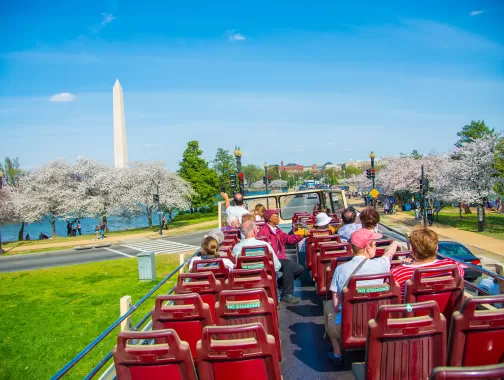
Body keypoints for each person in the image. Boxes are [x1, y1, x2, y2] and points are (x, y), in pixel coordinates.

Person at [324, 228, 400, 368]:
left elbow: (336, 305)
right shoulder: (382, 265)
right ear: (367, 247)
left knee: (328, 305)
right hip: (379, 323)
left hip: (349, 327)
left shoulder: (340, 269)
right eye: (374, 244)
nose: (376, 247)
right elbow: (389, 253)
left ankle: (337, 353)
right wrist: (395, 242)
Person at [391, 228, 464, 302]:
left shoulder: (398, 273)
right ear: (436, 248)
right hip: (447, 312)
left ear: (413, 251)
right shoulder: (454, 267)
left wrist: (402, 266)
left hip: (413, 312)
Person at [258, 209, 306, 304]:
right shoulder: (263, 232)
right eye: (276, 215)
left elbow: (288, 239)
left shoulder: (277, 230)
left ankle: (278, 285)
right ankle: (286, 294)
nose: (278, 218)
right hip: (270, 259)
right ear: (270, 219)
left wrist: (301, 235)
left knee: (299, 269)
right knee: (288, 264)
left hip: (279, 258)